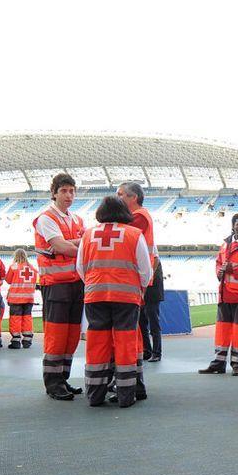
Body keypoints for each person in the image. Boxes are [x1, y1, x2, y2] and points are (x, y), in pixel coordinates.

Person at [77, 196, 153, 407]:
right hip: (126, 298)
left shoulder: (88, 235)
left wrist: (95, 284)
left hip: (95, 296)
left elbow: (80, 268)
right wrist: (139, 287)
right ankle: (126, 395)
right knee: (125, 343)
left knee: (97, 343)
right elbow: (145, 271)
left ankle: (95, 394)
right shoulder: (134, 234)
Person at [34, 173, 86, 400]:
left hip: (76, 283)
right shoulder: (45, 218)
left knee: (72, 336)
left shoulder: (77, 219)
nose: (68, 195)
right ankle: (53, 383)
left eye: (72, 191)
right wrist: (79, 245)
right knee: (56, 336)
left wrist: (70, 244)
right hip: (55, 286)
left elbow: (68, 245)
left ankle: (62, 379)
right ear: (54, 192)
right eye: (64, 191)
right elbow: (61, 246)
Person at [199, 213, 238, 376]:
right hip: (224, 295)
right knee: (222, 331)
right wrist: (219, 272)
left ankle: (237, 363)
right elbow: (218, 263)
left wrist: (233, 270)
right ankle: (219, 362)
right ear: (232, 226)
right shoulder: (224, 245)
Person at [118, 181, 164, 362]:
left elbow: (123, 234)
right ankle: (147, 350)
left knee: (152, 317)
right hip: (145, 272)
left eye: (121, 194)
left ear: (133, 197)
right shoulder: (138, 216)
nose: (118, 198)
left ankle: (156, 352)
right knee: (142, 319)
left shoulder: (139, 217)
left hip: (150, 273)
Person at [4, 248, 38, 348]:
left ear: (15, 256)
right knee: (27, 318)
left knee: (15, 318)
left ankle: (16, 341)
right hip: (29, 298)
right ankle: (27, 339)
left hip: (16, 298)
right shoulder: (32, 268)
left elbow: (8, 280)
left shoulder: (14, 267)